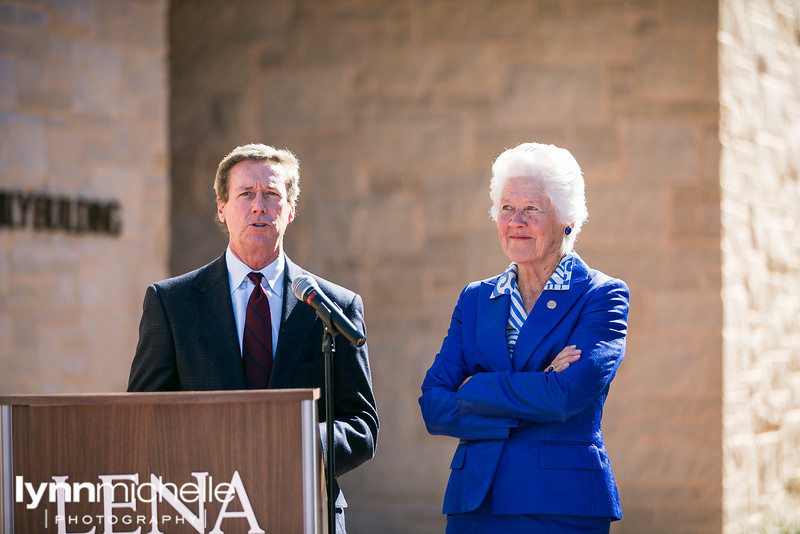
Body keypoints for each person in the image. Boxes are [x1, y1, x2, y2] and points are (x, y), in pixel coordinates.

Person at [128, 143, 378, 533]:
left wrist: (297, 443)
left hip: (306, 509)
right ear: (221, 208)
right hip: (203, 508)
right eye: (246, 194)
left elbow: (362, 424)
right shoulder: (171, 303)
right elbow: (143, 419)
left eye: (272, 195)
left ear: (290, 209)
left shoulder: (335, 306)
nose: (259, 206)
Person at [419, 142, 629, 533]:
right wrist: (539, 383)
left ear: (567, 217)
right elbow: (433, 404)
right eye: (506, 208)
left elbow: (565, 397)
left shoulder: (601, 295)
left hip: (560, 503)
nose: (516, 220)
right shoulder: (476, 297)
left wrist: (475, 387)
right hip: (474, 504)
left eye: (532, 208)